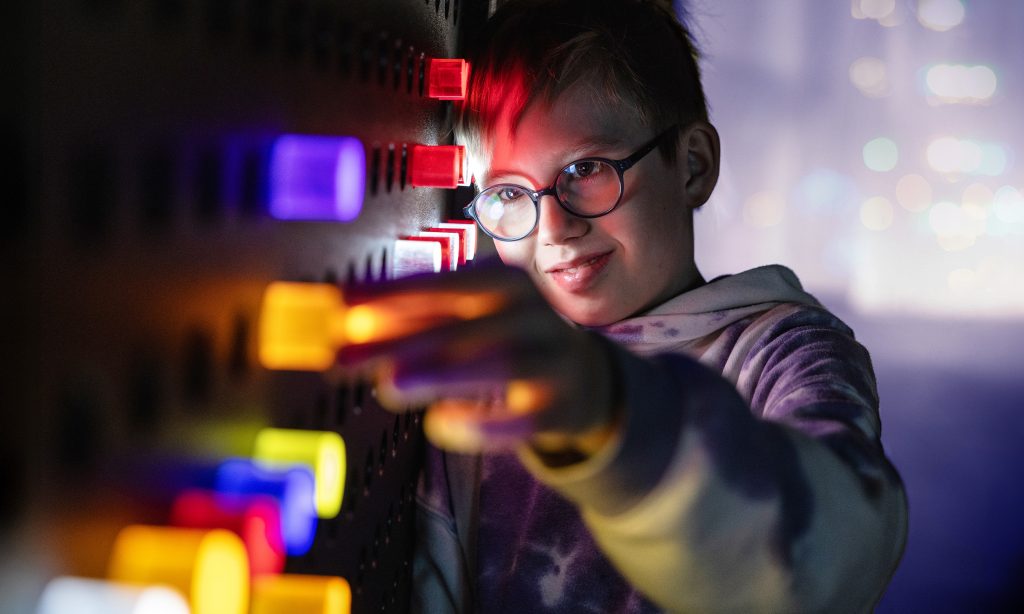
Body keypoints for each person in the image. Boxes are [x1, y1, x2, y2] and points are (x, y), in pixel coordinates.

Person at [338, 0, 908, 611]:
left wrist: (613, 415)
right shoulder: (494, 383)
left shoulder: (782, 350)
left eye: (586, 168)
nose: (553, 227)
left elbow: (838, 554)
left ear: (693, 165)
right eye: (509, 192)